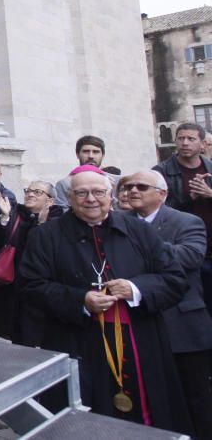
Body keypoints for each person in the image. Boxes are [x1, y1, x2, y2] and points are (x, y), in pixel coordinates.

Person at [20, 166, 190, 432]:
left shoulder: (138, 230)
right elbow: (31, 287)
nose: (91, 199)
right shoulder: (46, 236)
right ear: (70, 197)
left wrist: (135, 289)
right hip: (77, 341)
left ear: (111, 195)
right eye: (82, 193)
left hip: (140, 339)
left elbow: (175, 279)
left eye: (98, 192)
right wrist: (80, 300)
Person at [122, 170, 212, 438]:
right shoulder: (117, 222)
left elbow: (190, 257)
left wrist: (142, 246)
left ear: (162, 194)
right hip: (138, 323)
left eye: (141, 186)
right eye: (128, 187)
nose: (133, 191)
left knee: (196, 397)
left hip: (183, 326)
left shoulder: (186, 221)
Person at [0, 181, 62, 343]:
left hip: (38, 294)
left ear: (50, 201)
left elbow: (42, 254)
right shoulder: (16, 214)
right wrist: (4, 217)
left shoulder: (58, 221)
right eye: (28, 190)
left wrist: (41, 225)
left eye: (38, 192)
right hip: (11, 290)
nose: (30, 194)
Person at [153, 123, 212, 320]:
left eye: (191, 139)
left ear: (203, 144)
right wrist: (190, 199)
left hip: (210, 246)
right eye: (181, 138)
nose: (185, 143)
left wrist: (210, 194)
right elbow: (155, 209)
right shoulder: (160, 172)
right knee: (190, 307)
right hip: (183, 248)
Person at [54, 135, 110, 208]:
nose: (90, 156)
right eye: (86, 151)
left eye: (96, 152)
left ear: (103, 155)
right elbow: (62, 212)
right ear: (77, 155)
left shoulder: (116, 181)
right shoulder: (63, 184)